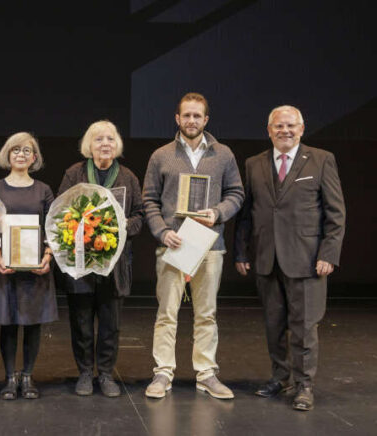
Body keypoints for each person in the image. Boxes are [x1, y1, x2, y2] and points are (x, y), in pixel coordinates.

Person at [234, 105, 346, 411]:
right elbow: (246, 214)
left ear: (302, 128)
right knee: (273, 324)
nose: (285, 131)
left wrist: (329, 254)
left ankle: (304, 384)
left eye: (290, 126)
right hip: (267, 258)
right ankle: (280, 376)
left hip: (308, 260)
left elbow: (336, 213)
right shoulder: (253, 164)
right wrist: (242, 252)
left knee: (304, 326)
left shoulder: (321, 160)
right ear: (268, 130)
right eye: (278, 126)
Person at [142, 92, 244, 400]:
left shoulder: (224, 154)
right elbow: (149, 201)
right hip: (173, 244)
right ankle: (162, 373)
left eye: (197, 116)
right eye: (186, 115)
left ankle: (206, 374)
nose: (191, 120)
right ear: (177, 119)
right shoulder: (161, 155)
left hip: (209, 246)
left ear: (206, 120)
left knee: (206, 314)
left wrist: (218, 213)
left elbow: (236, 194)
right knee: (167, 313)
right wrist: (161, 231)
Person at [58, 120, 144, 397]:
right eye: (98, 139)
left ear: (116, 144)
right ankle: (84, 372)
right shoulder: (75, 173)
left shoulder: (128, 177)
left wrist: (122, 228)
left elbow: (140, 215)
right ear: (89, 145)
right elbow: (60, 210)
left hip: (115, 264)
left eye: (109, 138)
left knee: (110, 323)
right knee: (81, 321)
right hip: (81, 262)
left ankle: (105, 373)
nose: (105, 144)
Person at [0, 132, 58, 400]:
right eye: (15, 149)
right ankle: (9, 378)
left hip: (35, 269)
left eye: (26, 150)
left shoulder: (44, 190)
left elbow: (53, 228)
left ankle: (27, 377)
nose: (20, 154)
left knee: (32, 324)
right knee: (7, 324)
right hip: (5, 268)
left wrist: (48, 257)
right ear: (7, 154)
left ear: (35, 157)